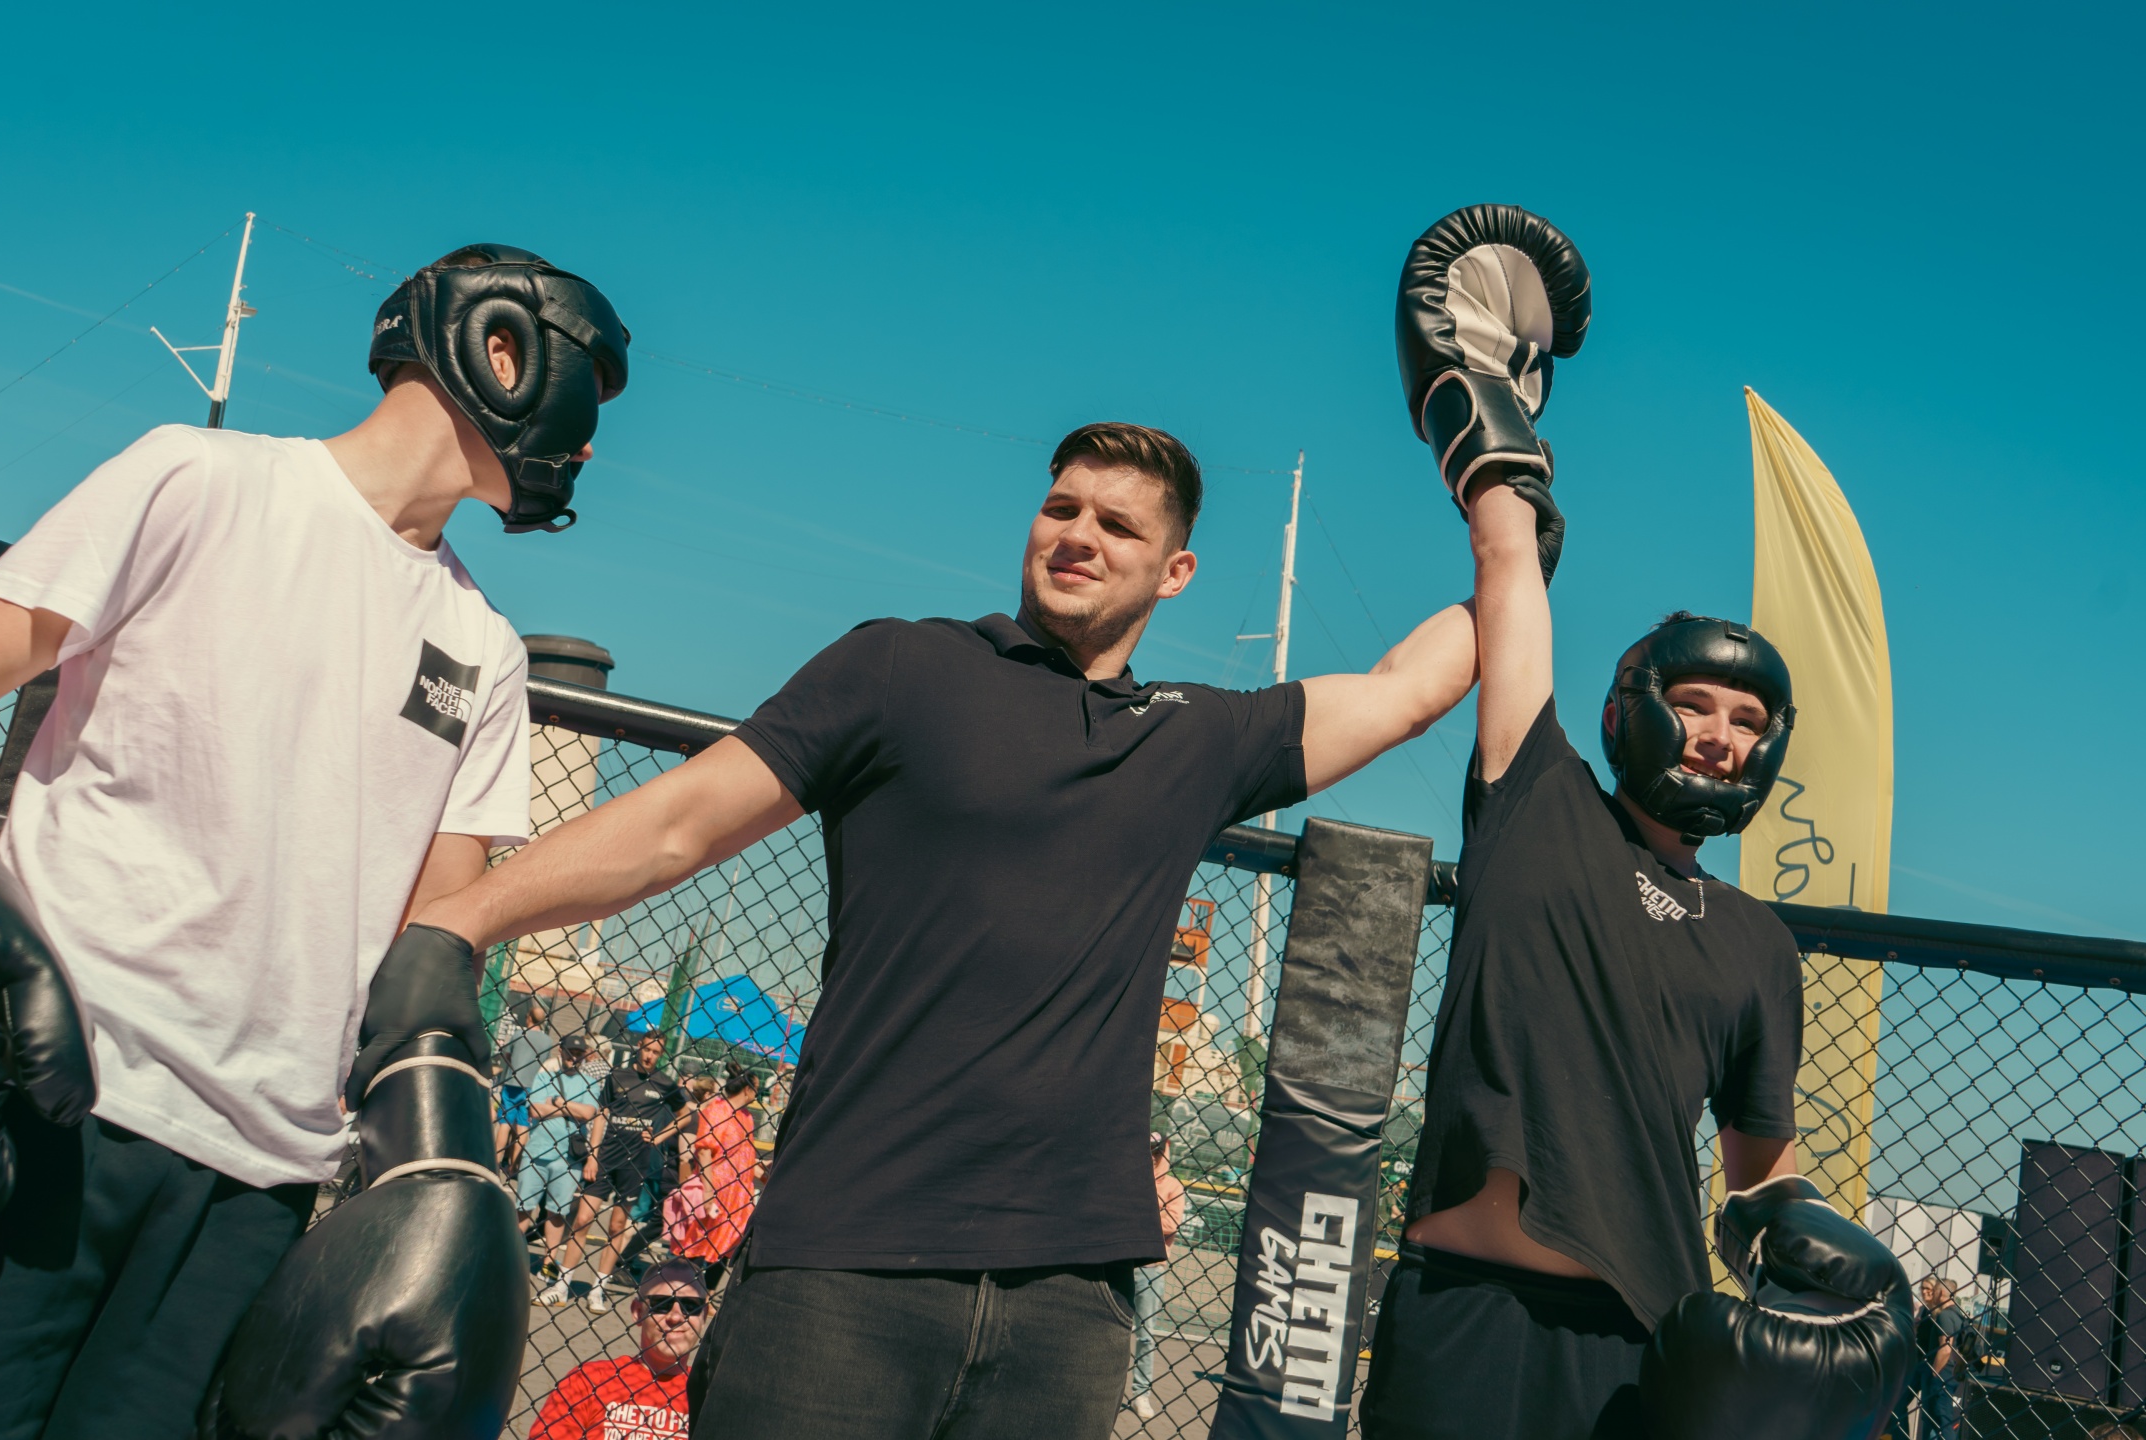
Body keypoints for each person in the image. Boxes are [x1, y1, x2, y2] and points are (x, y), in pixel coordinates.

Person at [402, 416, 1492, 1437]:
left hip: (1068, 1300)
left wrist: (1508, 502)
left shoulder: (1197, 739)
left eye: (1118, 525)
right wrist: (455, 924)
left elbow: (1407, 690)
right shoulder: (902, 668)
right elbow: (678, 824)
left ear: (1175, 573)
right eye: (1061, 508)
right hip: (842, 1269)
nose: (1078, 535)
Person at [0, 243, 629, 1438]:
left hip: (259, 1180)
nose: (592, 447)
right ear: (502, 348)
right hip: (47, 1096)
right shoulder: (201, 479)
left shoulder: (486, 652)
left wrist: (437, 1166)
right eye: (594, 394)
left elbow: (435, 930)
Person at [1361, 206, 1902, 1439]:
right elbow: (1508, 570)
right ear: (1630, 709)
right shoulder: (1538, 800)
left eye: (1748, 721)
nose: (1720, 735)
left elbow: (1757, 1177)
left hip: (1638, 1343)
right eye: (1696, 704)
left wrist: (1825, 1251)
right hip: (1462, 1312)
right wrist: (1476, 397)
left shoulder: (1759, 943)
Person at [561, 1033, 689, 1312]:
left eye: (656, 1052)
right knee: (582, 1219)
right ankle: (561, 1284)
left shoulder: (664, 1083)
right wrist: (593, 1155)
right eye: (647, 1050)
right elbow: (601, 1114)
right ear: (638, 1047)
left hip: (635, 1164)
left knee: (617, 1226)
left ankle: (598, 1289)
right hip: (605, 1158)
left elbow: (686, 1115)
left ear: (661, 1055)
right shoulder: (617, 1076)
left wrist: (657, 1137)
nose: (650, 1056)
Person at [528, 1258, 709, 1439]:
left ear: (704, 1316)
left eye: (690, 1306)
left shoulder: (710, 1396)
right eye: (662, 1304)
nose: (676, 1317)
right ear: (638, 1311)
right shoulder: (589, 1380)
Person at [668, 1069, 764, 1286]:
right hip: (715, 1186)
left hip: (738, 1194)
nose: (757, 1094)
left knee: (727, 1244)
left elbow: (745, 1155)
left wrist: (759, 1172)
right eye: (756, 1089)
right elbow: (704, 1151)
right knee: (698, 1241)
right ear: (747, 1089)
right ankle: (683, 1287)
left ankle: (708, 1293)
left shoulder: (747, 1117)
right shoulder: (718, 1110)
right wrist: (709, 1190)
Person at [527, 1033, 603, 1299]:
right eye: (570, 1052)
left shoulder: (590, 1081)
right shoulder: (546, 1073)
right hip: (538, 1150)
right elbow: (535, 1110)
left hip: (569, 1156)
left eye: (579, 1053)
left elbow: (589, 1113)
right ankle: (509, 1256)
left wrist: (558, 1104)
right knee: (524, 1208)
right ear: (561, 1051)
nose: (574, 1057)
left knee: (556, 1212)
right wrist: (571, 1108)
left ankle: (549, 1263)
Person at [1127, 1133, 1191, 1420]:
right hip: (1121, 1263)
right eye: (1148, 1150)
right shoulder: (1131, 1179)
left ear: (1164, 1151)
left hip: (1151, 1269)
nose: (1152, 1157)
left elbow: (1171, 1223)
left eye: (1156, 1151)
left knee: (1146, 1335)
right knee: (1111, 1329)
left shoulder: (1172, 1186)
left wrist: (1137, 1216)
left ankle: (1140, 1393)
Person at [1900, 1277, 1964, 1439]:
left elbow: (1946, 1348)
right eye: (1922, 1288)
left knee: (1941, 1419)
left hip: (1938, 1371)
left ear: (1940, 1292)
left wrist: (1934, 1374)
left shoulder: (1944, 1315)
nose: (1926, 1292)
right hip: (1933, 1369)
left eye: (1932, 1290)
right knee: (1932, 1417)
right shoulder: (1955, 1314)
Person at [497, 1002, 556, 1175]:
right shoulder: (547, 1041)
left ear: (529, 1018)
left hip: (512, 1082)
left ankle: (496, 1161)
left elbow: (508, 1056)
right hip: (532, 1087)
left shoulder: (518, 1034)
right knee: (523, 1127)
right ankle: (514, 1166)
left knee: (505, 1124)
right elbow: (544, 1063)